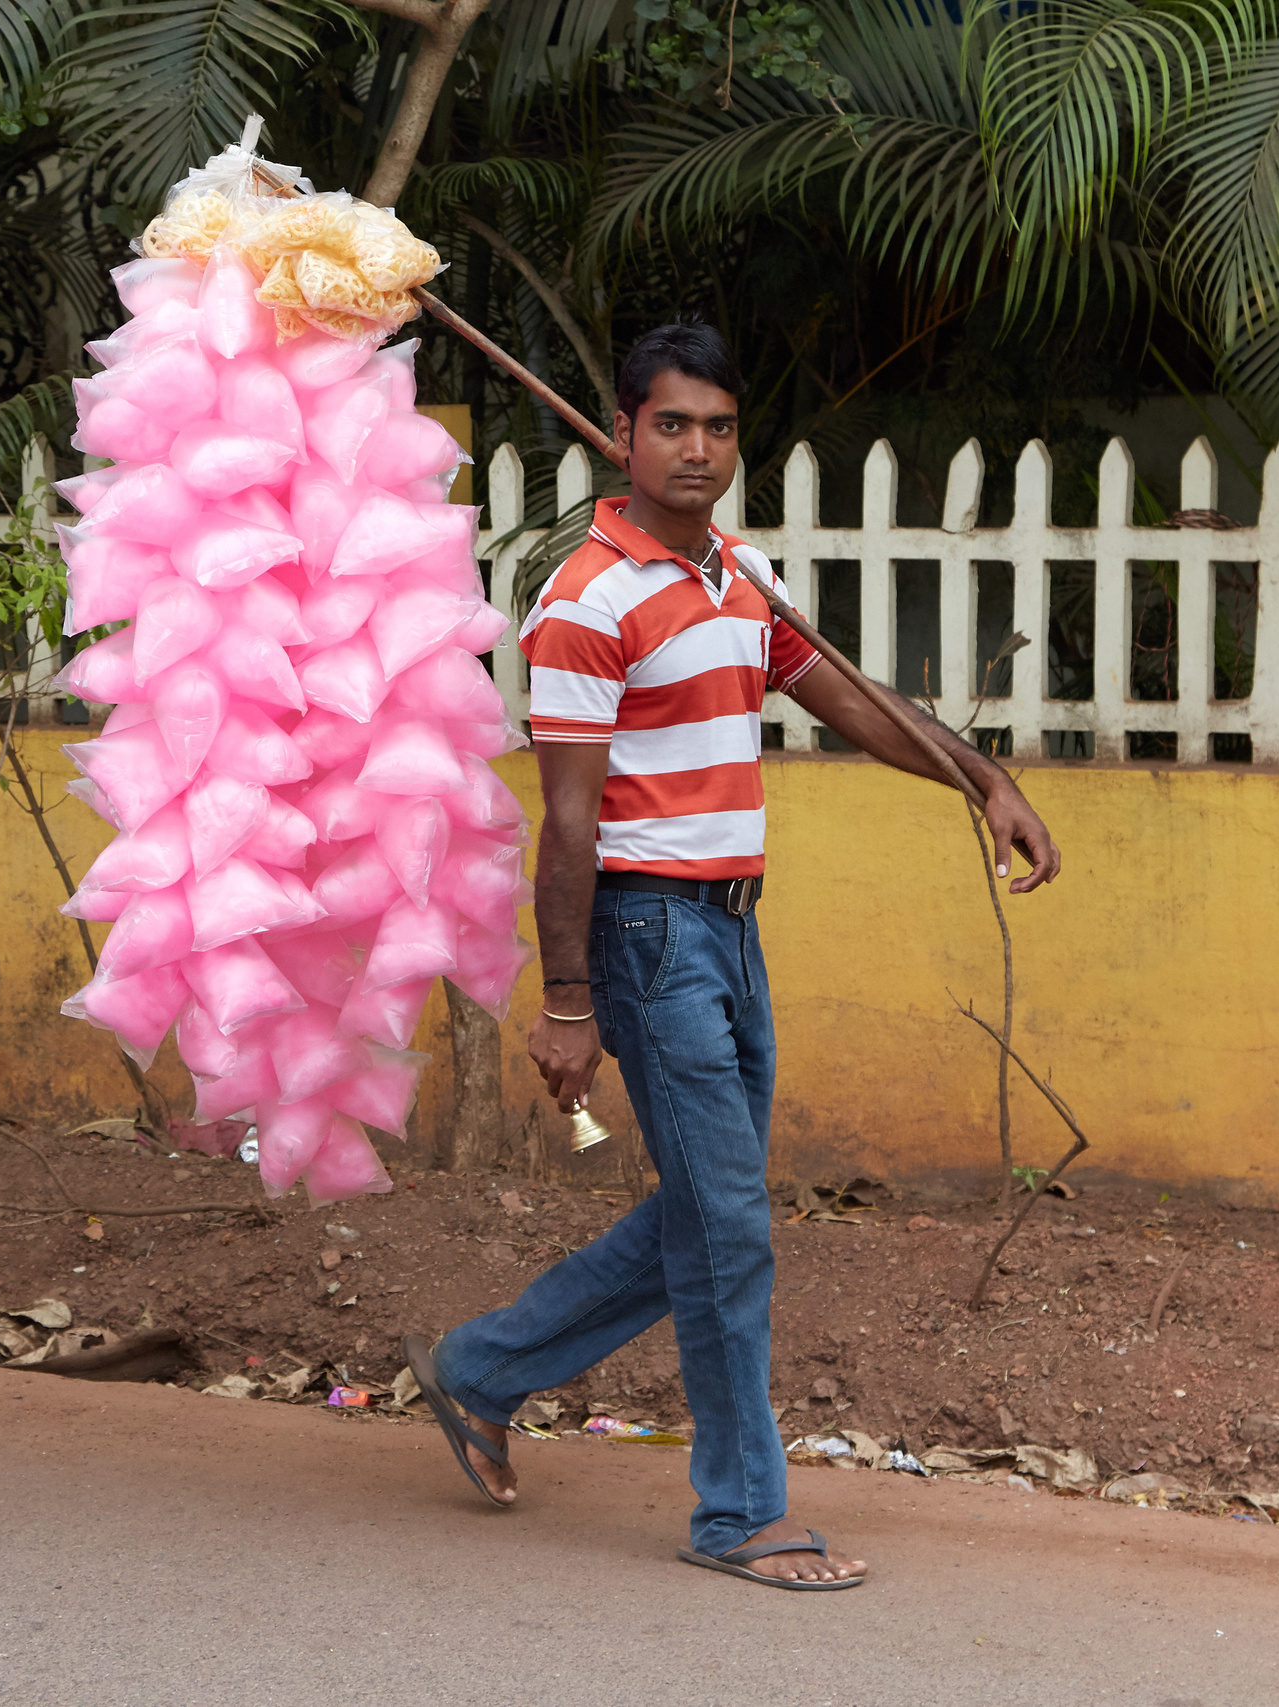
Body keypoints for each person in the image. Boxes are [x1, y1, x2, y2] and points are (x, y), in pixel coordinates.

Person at [404, 322, 1061, 1591]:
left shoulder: (737, 578)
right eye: (671, 425)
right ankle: (739, 1513)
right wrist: (571, 1002)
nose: (696, 448)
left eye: (716, 427)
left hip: (730, 923)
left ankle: (482, 1368)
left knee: (710, 1216)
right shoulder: (587, 601)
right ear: (624, 430)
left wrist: (979, 782)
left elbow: (846, 697)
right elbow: (571, 823)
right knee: (728, 1231)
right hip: (645, 933)